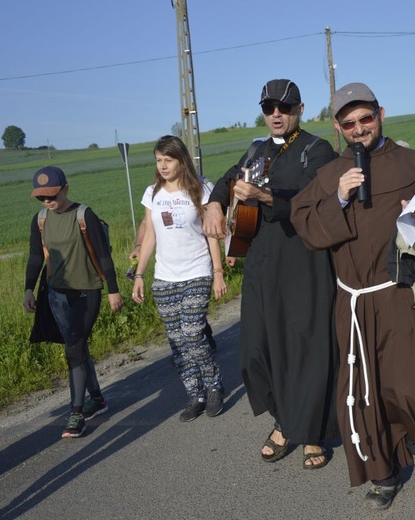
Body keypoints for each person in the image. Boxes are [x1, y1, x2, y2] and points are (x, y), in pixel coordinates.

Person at [290, 82, 415, 510]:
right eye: (348, 123)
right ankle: (381, 473)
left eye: (366, 118)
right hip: (351, 300)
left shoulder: (412, 162)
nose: (359, 128)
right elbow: (304, 224)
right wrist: (339, 198)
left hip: (398, 291)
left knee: (409, 380)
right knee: (362, 392)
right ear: (338, 127)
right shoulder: (330, 175)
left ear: (380, 113)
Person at [203, 79, 337, 469]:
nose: (276, 114)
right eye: (269, 107)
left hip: (304, 262)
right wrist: (215, 203)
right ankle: (283, 417)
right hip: (261, 263)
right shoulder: (257, 149)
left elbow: (317, 200)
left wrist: (264, 197)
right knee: (257, 350)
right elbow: (231, 176)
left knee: (303, 347)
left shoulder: (317, 149)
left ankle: (309, 432)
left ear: (300, 109)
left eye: (284, 106)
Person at [131, 135, 227, 421]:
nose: (162, 165)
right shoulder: (153, 193)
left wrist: (218, 273)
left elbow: (212, 233)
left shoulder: (200, 189)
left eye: (168, 160)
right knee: (176, 340)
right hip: (164, 278)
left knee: (193, 333)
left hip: (197, 271)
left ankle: (213, 386)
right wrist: (139, 275)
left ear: (181, 159)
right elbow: (149, 234)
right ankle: (194, 394)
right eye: (158, 160)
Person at [23, 166, 123, 439]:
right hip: (56, 293)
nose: (47, 201)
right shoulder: (40, 219)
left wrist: (113, 290)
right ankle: (98, 399)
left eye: (51, 195)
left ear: (66, 188)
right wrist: (28, 289)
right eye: (41, 198)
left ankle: (76, 413)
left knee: (75, 347)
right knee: (75, 348)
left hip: (87, 292)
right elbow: (35, 257)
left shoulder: (83, 215)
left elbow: (104, 257)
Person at [130, 214, 218, 352]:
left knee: (192, 324)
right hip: (168, 271)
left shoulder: (197, 192)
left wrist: (218, 270)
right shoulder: (153, 193)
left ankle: (202, 346)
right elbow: (147, 223)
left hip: (196, 265)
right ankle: (187, 355)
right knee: (180, 326)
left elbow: (210, 220)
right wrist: (138, 247)